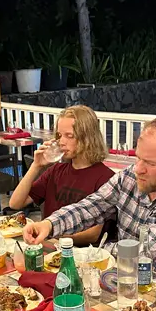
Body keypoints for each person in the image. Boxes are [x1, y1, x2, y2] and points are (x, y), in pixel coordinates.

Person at [23, 115, 156, 284]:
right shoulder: (133, 175)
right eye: (138, 158)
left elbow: (144, 256)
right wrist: (49, 224)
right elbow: (93, 206)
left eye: (150, 163)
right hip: (125, 280)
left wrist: (89, 253)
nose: (138, 168)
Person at [9, 105, 114, 247]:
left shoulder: (106, 178)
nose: (61, 141)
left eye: (69, 136)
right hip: (49, 247)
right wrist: (36, 166)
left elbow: (92, 234)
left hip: (81, 255)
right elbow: (15, 203)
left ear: (87, 138)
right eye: (59, 135)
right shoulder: (56, 170)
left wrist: (50, 232)